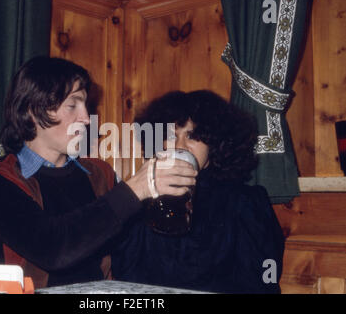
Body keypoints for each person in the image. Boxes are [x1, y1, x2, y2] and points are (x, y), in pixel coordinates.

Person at [0, 57, 197, 288]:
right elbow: (53, 249)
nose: (86, 119)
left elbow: (135, 251)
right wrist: (135, 188)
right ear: (32, 110)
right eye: (72, 105)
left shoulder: (100, 173)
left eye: (85, 105)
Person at [110, 90, 285, 294]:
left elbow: (262, 282)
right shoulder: (140, 200)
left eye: (192, 136)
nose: (179, 146)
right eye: (170, 136)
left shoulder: (244, 202)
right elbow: (125, 275)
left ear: (214, 144)